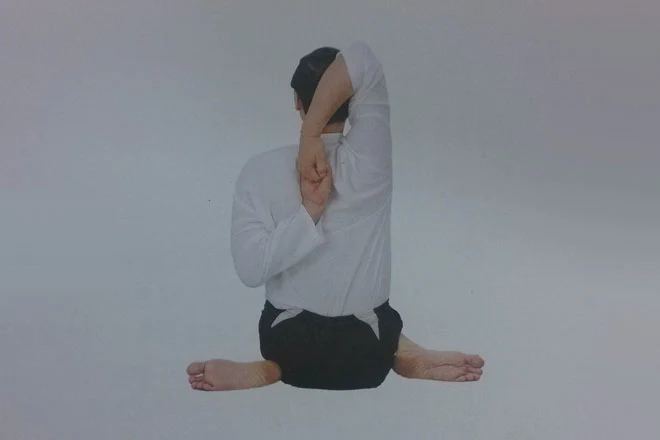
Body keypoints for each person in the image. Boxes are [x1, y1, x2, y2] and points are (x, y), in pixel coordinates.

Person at [187, 41, 485, 391]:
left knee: (283, 344)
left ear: (297, 102)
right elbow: (362, 60)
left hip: (288, 338)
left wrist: (308, 214)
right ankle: (402, 351)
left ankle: (271, 369)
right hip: (369, 346)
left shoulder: (258, 171)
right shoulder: (369, 162)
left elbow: (250, 271)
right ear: (352, 101)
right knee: (384, 324)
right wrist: (312, 135)